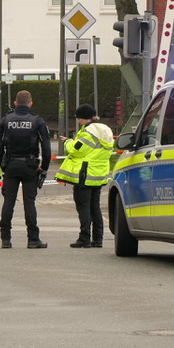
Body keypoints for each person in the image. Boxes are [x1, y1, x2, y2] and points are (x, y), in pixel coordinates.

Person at [0, 89, 52, 248]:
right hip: (30, 166)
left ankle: (5, 238)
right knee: (29, 202)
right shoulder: (37, 121)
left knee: (9, 201)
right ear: (30, 103)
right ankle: (33, 239)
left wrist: (3, 165)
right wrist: (44, 169)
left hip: (11, 165)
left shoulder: (6, 120)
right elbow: (46, 149)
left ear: (15, 103)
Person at [56, 104, 114, 248]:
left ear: (83, 118)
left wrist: (68, 142)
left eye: (78, 118)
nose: (78, 121)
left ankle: (84, 238)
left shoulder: (89, 132)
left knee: (83, 207)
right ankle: (98, 239)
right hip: (99, 174)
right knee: (95, 207)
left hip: (85, 175)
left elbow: (77, 150)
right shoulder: (105, 129)